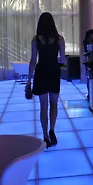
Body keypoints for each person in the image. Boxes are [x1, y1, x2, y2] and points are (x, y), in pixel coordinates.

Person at [26, 13, 66, 149]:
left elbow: (33, 61)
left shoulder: (36, 39)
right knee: (54, 104)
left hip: (41, 72)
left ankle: (45, 136)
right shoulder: (60, 39)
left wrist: (29, 81)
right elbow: (62, 60)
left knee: (43, 106)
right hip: (54, 72)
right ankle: (52, 129)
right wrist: (57, 61)